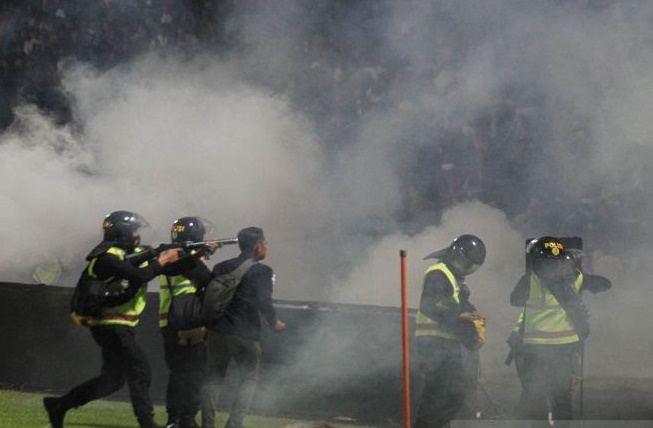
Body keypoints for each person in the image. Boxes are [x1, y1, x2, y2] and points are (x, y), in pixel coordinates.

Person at [43, 210, 183, 428]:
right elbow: (140, 275)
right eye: (134, 230)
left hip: (115, 326)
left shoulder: (116, 254)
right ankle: (147, 423)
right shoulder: (107, 258)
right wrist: (162, 260)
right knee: (140, 371)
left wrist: (179, 252)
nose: (137, 235)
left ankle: (59, 405)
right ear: (123, 233)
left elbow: (139, 260)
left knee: (113, 380)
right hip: (112, 326)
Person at [509, 236, 611, 427]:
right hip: (560, 348)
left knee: (540, 397)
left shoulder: (530, 280)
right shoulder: (572, 279)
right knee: (559, 397)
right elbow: (603, 284)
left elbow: (514, 300)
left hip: (537, 349)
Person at [201, 226, 286, 428]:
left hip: (218, 331)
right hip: (245, 333)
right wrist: (274, 322)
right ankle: (234, 424)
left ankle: (207, 424)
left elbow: (208, 297)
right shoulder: (263, 271)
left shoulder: (221, 267)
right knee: (249, 379)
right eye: (265, 243)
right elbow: (264, 301)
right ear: (258, 246)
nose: (267, 247)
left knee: (213, 378)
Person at [413, 234, 487, 428]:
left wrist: (472, 316)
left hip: (446, 342)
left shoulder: (454, 277)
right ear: (456, 255)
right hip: (432, 343)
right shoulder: (439, 273)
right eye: (466, 263)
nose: (467, 269)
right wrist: (459, 317)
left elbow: (457, 304)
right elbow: (428, 306)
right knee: (436, 395)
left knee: (455, 392)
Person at [159, 216, 218, 428]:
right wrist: (202, 254)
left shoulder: (171, 254)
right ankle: (186, 419)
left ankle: (173, 419)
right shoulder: (185, 257)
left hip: (168, 322)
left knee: (178, 373)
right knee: (195, 373)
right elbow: (208, 280)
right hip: (187, 322)